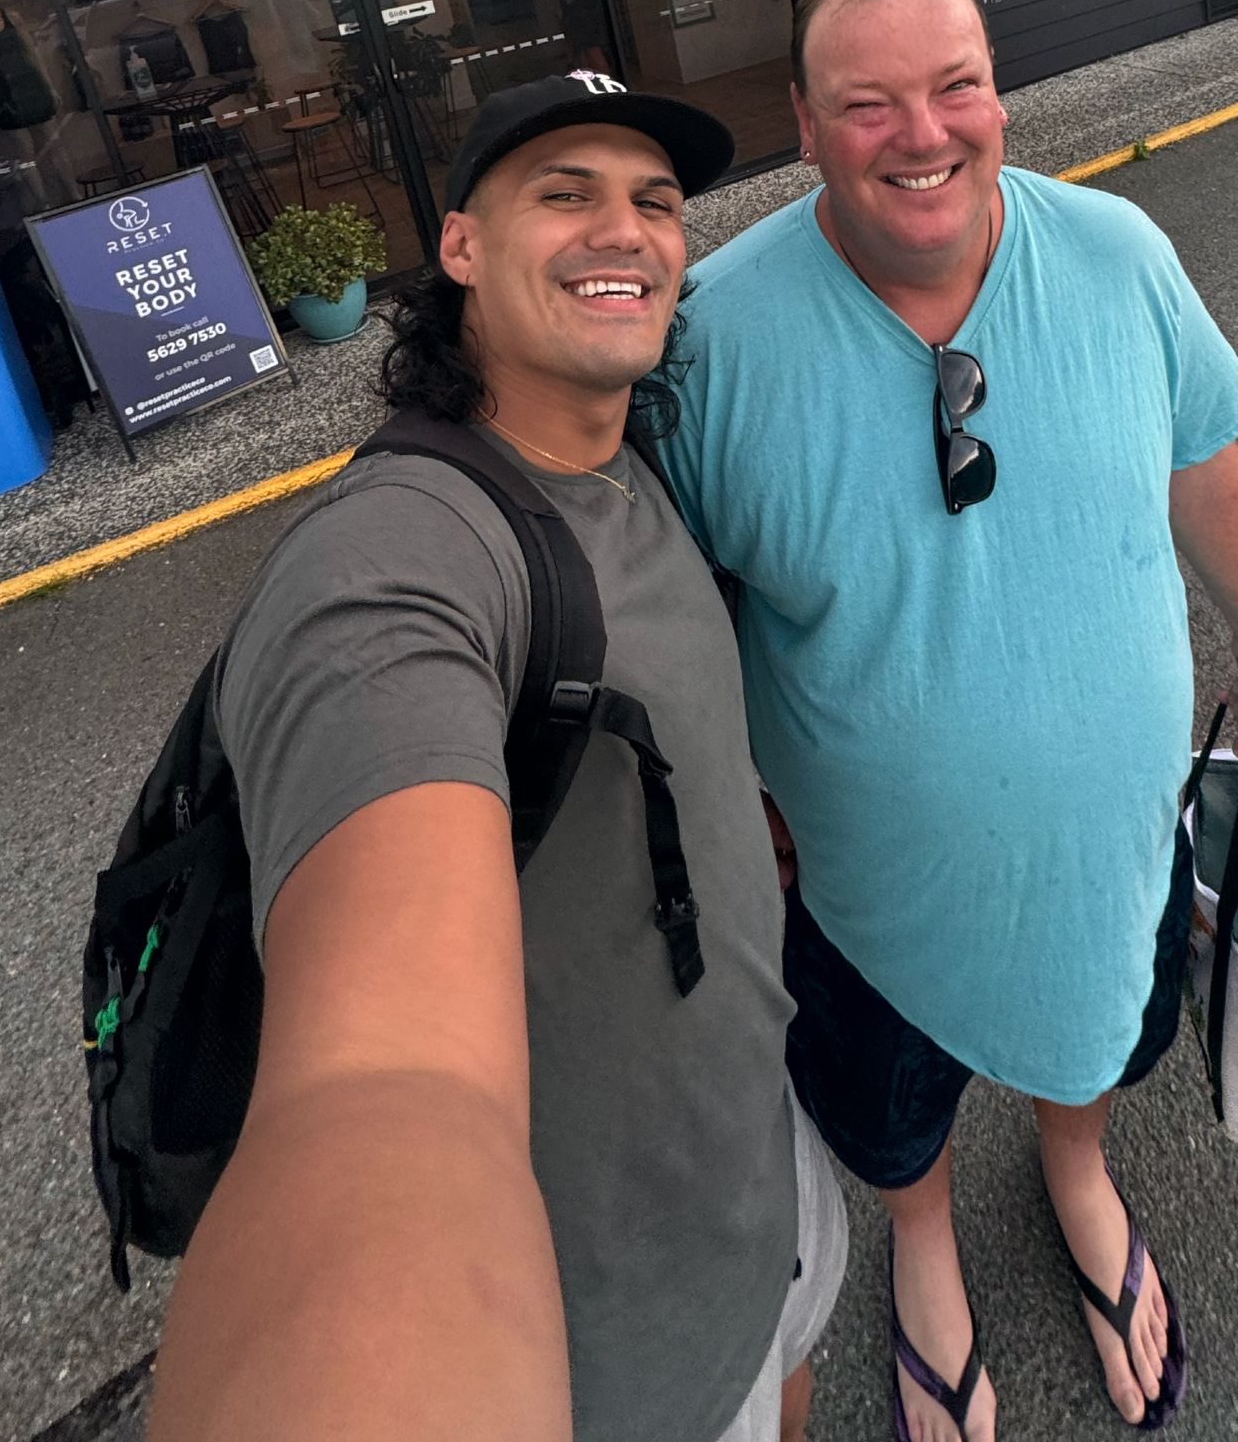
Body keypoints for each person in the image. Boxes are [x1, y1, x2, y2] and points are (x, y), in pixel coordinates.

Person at [665, 0, 1238, 1439]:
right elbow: (681, 601)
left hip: (1112, 838)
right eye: (868, 104)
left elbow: (1201, 457)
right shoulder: (709, 340)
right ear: (808, 127)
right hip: (866, 879)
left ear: (1001, 95)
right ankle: (928, 1242)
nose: (924, 132)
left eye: (956, 87)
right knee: (888, 1097)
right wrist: (722, 798)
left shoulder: (1120, 254)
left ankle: (1077, 1169)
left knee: (1099, 1027)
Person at [149, 70, 847, 1442]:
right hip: (609, 1340)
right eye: (564, 194)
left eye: (654, 201)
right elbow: (383, 1092)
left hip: (762, 1175)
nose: (626, 230)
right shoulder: (395, 561)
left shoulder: (617, 454)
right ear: (459, 246)